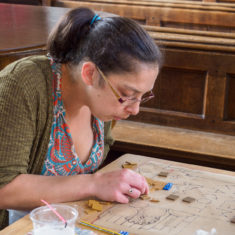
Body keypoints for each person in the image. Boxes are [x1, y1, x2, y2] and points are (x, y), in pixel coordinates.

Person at [0, 7, 162, 229]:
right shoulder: (22, 84)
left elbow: (103, 149)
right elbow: (4, 189)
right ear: (90, 74)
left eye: (142, 96)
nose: (135, 110)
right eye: (128, 95)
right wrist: (93, 184)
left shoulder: (99, 104)